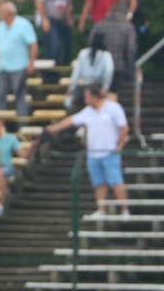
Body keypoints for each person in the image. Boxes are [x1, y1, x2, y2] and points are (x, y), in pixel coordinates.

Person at [45, 84, 129, 219]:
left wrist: (120, 143)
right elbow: (71, 120)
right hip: (93, 153)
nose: (85, 100)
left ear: (95, 96)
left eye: (87, 97)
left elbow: (124, 127)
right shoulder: (87, 111)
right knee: (98, 183)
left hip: (110, 152)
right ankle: (101, 210)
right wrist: (55, 128)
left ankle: (124, 210)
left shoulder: (113, 108)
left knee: (115, 181)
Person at [0, 2, 38, 119]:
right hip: (2, 67)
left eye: (1, 12)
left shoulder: (23, 25)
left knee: (20, 96)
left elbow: (33, 44)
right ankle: (0, 123)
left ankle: (22, 123)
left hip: (19, 66)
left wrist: (31, 63)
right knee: (0, 95)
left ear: (8, 13)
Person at [91, 0, 137, 96]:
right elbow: (131, 49)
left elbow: (91, 43)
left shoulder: (98, 26)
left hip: (99, 67)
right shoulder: (128, 28)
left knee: (99, 94)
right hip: (119, 66)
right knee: (114, 93)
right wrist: (129, 65)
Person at [36, 0, 74, 67]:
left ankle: (61, 68)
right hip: (49, 18)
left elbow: (68, 3)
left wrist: (69, 17)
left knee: (66, 46)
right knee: (54, 45)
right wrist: (44, 19)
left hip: (60, 18)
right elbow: (39, 1)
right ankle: (50, 72)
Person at [68, 32, 114, 109]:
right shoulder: (106, 55)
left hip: (83, 87)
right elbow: (109, 71)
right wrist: (105, 87)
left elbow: (76, 73)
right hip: (98, 87)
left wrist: (72, 88)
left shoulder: (82, 53)